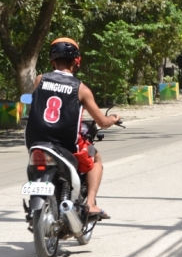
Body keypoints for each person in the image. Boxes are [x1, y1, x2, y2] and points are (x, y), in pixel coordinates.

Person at [24, 37, 121, 218]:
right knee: (96, 157)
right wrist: (113, 119)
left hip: (36, 142)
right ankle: (91, 203)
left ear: (52, 60)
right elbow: (101, 122)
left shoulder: (39, 80)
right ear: (77, 61)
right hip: (65, 145)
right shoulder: (81, 89)